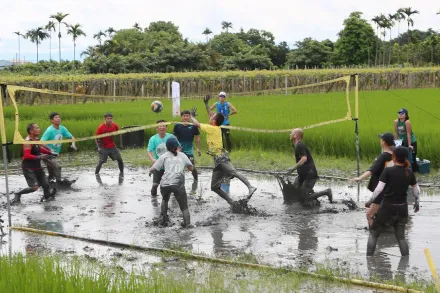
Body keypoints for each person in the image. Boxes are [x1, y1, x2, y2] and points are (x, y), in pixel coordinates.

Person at [190, 94, 257, 208]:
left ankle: (250, 187)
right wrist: (206, 104)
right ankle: (232, 203)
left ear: (214, 121)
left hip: (221, 158)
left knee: (233, 172)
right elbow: (210, 114)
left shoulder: (212, 128)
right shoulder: (214, 126)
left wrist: (191, 116)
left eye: (212, 116)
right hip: (217, 161)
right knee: (214, 187)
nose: (210, 116)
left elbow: (196, 124)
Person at [366, 146, 420, 256]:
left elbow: (379, 189)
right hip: (402, 208)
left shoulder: (388, 171)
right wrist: (417, 202)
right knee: (401, 237)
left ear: (394, 157)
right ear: (406, 158)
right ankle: (405, 262)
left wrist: (371, 201)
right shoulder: (409, 172)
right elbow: (416, 189)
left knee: (374, 233)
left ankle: (369, 260)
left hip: (387, 208)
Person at [350, 133, 395, 228]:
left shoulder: (383, 156)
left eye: (381, 139)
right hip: (391, 190)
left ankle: (374, 233)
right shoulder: (395, 156)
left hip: (381, 190)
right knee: (382, 212)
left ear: (384, 142)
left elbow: (372, 170)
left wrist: (360, 178)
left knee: (369, 214)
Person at [150, 137, 194, 228]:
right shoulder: (182, 155)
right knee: (184, 206)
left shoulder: (163, 156)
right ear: (177, 146)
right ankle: (187, 224)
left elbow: (153, 168)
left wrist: (150, 172)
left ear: (167, 147)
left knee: (165, 200)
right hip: (178, 184)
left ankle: (164, 220)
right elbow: (191, 168)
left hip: (164, 183)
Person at [10, 123, 57, 205]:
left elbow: (39, 149)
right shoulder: (27, 142)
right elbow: (27, 155)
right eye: (37, 128)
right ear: (31, 131)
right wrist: (40, 157)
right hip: (29, 168)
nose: (39, 129)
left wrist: (51, 152)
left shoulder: (36, 139)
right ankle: (18, 194)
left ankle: (47, 198)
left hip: (37, 167)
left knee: (46, 184)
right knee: (34, 188)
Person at [285, 128, 332, 205]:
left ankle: (326, 192)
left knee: (304, 197)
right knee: (294, 193)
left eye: (291, 133)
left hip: (310, 175)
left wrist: (292, 169)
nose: (290, 134)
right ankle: (312, 199)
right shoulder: (298, 145)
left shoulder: (299, 145)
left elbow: (304, 159)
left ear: (296, 135)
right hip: (302, 175)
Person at [41, 112, 76, 186]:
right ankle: (59, 183)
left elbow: (72, 137)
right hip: (47, 154)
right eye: (56, 117)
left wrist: (73, 145)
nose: (58, 119)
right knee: (57, 167)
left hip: (55, 153)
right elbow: (41, 142)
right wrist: (50, 150)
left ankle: (46, 184)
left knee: (51, 173)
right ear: (52, 120)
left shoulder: (62, 128)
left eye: (59, 117)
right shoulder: (49, 130)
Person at [147, 120, 178, 197]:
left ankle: (171, 198)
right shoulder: (153, 139)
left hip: (170, 164)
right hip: (158, 164)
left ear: (166, 127)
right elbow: (149, 151)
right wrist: (152, 160)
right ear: (156, 128)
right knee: (155, 185)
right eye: (160, 126)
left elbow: (178, 148)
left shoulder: (171, 137)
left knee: (172, 184)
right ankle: (153, 199)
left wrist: (175, 156)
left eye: (164, 126)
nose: (162, 127)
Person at [173, 110, 201, 194]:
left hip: (189, 151)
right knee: (178, 167)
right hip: (179, 150)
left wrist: (198, 148)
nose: (185, 117)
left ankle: (196, 179)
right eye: (184, 116)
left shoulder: (193, 126)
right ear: (181, 117)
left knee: (191, 167)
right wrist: (175, 148)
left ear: (189, 117)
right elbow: (173, 137)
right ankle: (179, 184)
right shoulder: (177, 126)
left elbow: (198, 137)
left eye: (187, 116)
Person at [94, 113, 124, 177]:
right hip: (103, 147)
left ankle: (122, 174)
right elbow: (95, 138)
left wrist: (121, 144)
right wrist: (98, 147)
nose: (109, 120)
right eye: (108, 119)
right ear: (105, 119)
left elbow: (119, 134)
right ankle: (96, 174)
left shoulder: (114, 125)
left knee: (120, 159)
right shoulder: (101, 127)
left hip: (112, 146)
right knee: (101, 162)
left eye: (111, 118)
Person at [394, 108, 418, 172]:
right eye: (399, 113)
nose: (400, 115)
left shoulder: (407, 122)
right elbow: (396, 133)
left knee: (412, 157)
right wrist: (395, 143)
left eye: (402, 113)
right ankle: (405, 170)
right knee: (404, 157)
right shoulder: (396, 122)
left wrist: (409, 145)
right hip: (403, 142)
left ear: (406, 115)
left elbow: (408, 134)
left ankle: (414, 171)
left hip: (411, 141)